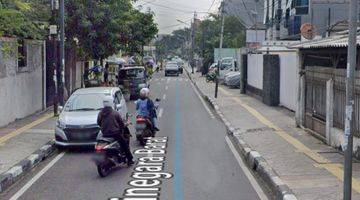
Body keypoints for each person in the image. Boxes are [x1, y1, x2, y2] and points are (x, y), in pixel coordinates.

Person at [97, 96, 134, 166]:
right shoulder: (115, 113)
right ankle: (130, 159)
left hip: (104, 134)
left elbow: (98, 122)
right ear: (111, 103)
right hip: (115, 134)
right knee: (124, 144)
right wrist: (123, 126)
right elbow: (121, 123)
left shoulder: (100, 113)